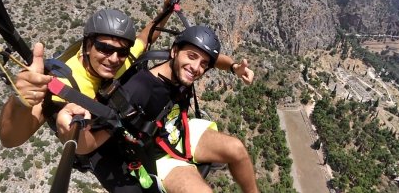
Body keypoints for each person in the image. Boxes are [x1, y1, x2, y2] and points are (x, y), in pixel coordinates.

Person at [0, 4, 254, 192]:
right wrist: (21, 100)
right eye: (104, 48)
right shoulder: (62, 83)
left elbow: (148, 36)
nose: (112, 58)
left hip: (161, 129)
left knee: (237, 149)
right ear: (87, 45)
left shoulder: (122, 59)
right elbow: (10, 139)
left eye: (120, 51)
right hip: (113, 139)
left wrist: (166, 9)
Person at [64, 25, 259, 193]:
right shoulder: (140, 89)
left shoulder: (182, 67)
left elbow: (215, 60)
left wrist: (234, 67)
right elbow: (89, 144)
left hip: (178, 130)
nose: (196, 67)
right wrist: (71, 129)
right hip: (157, 152)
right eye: (191, 57)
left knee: (237, 149)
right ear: (174, 52)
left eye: (203, 64)